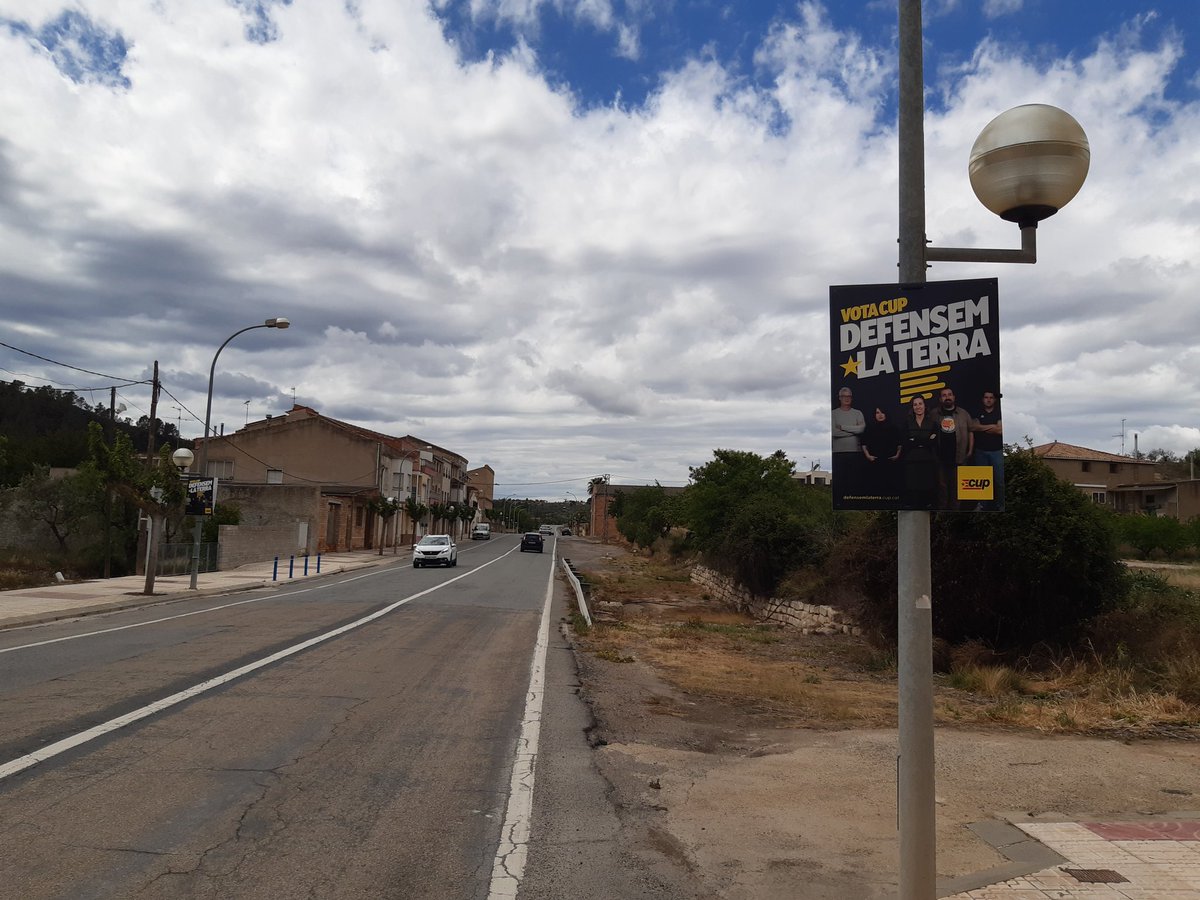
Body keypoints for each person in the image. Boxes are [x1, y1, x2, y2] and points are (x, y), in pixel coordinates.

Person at [935, 386, 974, 510]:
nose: (947, 397)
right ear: (940, 399)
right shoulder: (934, 414)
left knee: (957, 488)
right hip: (940, 458)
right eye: (944, 395)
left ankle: (954, 514)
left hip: (959, 457)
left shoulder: (963, 413)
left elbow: (971, 431)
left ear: (954, 397)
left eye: (949, 394)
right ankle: (942, 515)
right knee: (942, 488)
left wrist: (970, 450)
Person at [901, 395, 939, 509]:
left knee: (927, 487)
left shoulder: (933, 423)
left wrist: (915, 440)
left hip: (927, 460)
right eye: (915, 404)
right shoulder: (907, 423)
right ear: (912, 407)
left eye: (920, 404)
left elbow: (934, 442)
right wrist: (926, 440)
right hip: (911, 460)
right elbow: (906, 443)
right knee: (912, 487)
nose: (918, 407)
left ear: (925, 406)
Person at [970, 389, 1004, 510]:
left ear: (994, 400)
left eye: (991, 397)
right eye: (986, 397)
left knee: (999, 480)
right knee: (981, 480)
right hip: (980, 451)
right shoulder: (977, 412)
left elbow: (1000, 430)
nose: (988, 399)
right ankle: (982, 504)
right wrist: (993, 426)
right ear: (983, 399)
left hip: (997, 451)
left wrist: (982, 427)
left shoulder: (999, 413)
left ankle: (1000, 504)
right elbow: (973, 427)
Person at [831, 387, 866, 504]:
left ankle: (856, 503)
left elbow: (861, 429)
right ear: (840, 398)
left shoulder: (858, 413)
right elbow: (834, 432)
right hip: (838, 453)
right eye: (844, 396)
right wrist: (853, 431)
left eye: (849, 396)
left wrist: (843, 427)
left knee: (855, 482)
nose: (847, 398)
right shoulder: (833, 414)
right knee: (841, 483)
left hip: (855, 452)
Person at [861, 406, 902, 500]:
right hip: (874, 463)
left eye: (882, 412)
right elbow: (863, 443)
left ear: (886, 414)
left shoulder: (894, 428)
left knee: (890, 489)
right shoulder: (870, 428)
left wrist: (897, 455)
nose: (880, 415)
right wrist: (868, 456)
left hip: (890, 463)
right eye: (877, 412)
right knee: (875, 488)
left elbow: (900, 444)